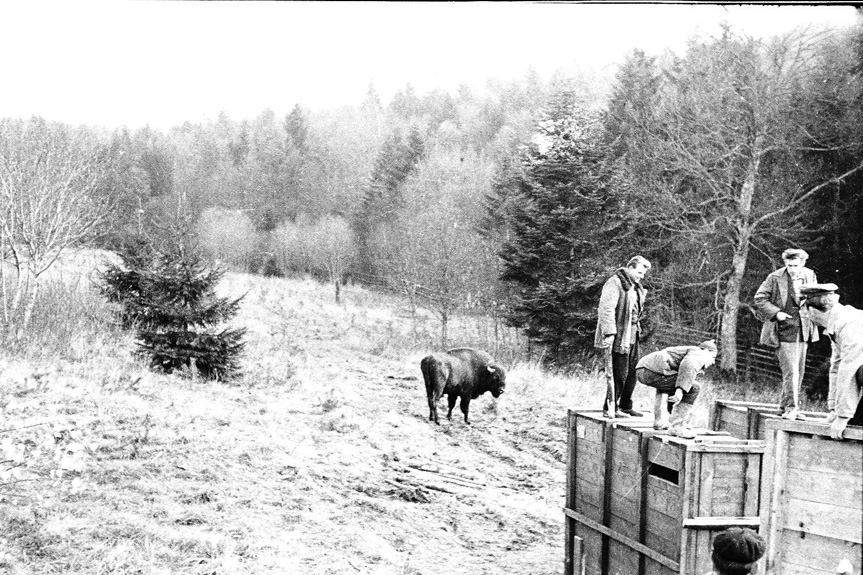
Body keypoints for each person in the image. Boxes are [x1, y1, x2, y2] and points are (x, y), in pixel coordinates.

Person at [753, 248, 819, 421]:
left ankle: (785, 408)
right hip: (783, 330)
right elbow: (760, 298)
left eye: (795, 265)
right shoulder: (774, 277)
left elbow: (814, 299)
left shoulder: (810, 275)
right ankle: (792, 408)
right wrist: (776, 313)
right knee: (791, 372)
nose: (792, 269)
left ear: (803, 263)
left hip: (804, 329)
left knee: (799, 371)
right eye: (789, 265)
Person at [799, 283, 863, 440]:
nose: (805, 316)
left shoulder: (851, 323)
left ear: (812, 310)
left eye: (804, 311)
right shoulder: (838, 323)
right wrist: (835, 410)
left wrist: (843, 417)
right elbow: (837, 368)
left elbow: (850, 369)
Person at [594, 255, 651, 418]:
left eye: (644, 274)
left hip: (633, 335)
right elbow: (606, 309)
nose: (642, 276)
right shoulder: (615, 282)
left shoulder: (636, 287)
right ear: (630, 268)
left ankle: (626, 405)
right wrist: (610, 333)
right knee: (620, 373)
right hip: (619, 335)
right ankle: (610, 408)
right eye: (639, 272)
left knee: (633, 372)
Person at [635, 340, 718, 438]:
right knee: (694, 388)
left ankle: (660, 421)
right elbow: (688, 365)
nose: (713, 362)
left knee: (667, 384)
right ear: (706, 351)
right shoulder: (699, 353)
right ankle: (677, 426)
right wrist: (680, 390)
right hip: (651, 370)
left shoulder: (688, 351)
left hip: (643, 369)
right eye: (713, 357)